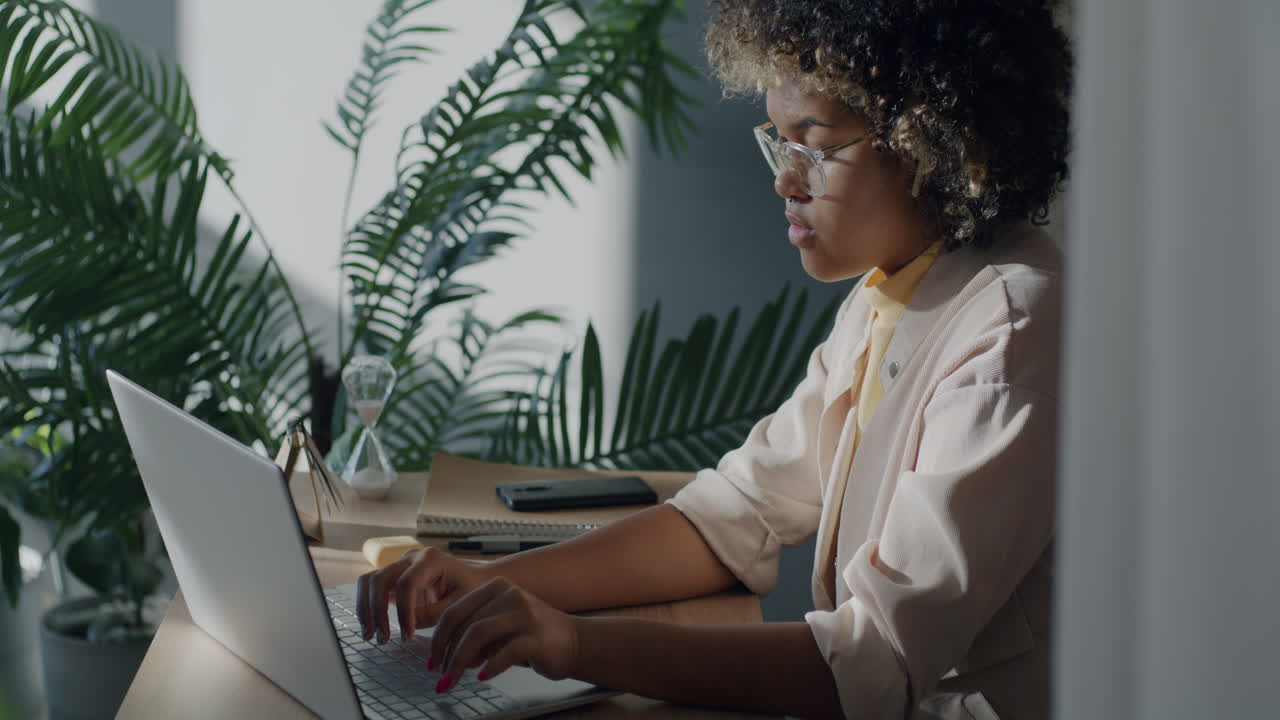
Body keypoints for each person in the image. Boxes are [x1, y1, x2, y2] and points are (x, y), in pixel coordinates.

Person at [357, 1, 1072, 717]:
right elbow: (734, 514)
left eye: (814, 144)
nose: (785, 181)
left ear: (929, 141)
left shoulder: (1012, 333)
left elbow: (870, 660)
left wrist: (571, 645)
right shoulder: (893, 291)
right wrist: (487, 579)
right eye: (778, 141)